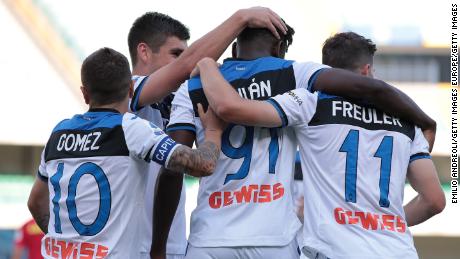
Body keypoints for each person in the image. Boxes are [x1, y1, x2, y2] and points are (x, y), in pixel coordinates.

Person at [167, 21, 436, 258]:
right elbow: (434, 200)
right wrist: (386, 222)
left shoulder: (308, 103)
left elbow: (229, 109)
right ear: (367, 70)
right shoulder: (405, 122)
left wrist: (205, 64)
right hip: (388, 249)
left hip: (224, 237)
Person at [26, 48, 225, 258]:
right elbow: (203, 164)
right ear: (131, 89)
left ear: (85, 94)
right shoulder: (131, 128)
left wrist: (67, 242)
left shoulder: (59, 133)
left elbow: (36, 202)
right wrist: (213, 131)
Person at [126, 8, 287, 259]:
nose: (184, 58)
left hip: (173, 241)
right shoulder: (127, 89)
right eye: (176, 53)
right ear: (144, 51)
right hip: (134, 244)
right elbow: (187, 66)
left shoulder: (187, 94)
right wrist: (241, 17)